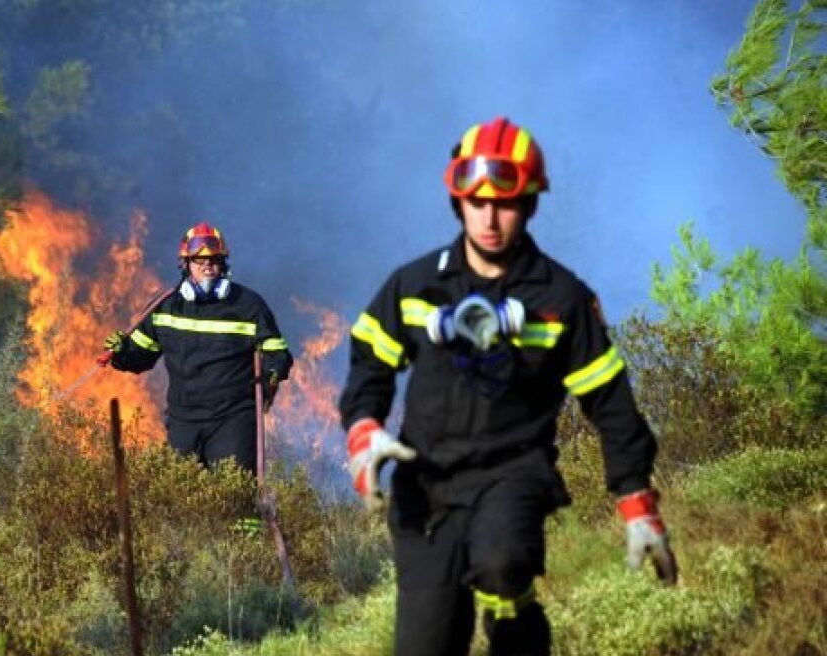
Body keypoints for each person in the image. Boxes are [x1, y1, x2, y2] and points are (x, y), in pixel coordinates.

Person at [338, 117, 678, 656]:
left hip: (513, 474)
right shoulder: (416, 285)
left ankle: (513, 619)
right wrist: (363, 428)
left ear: (529, 204)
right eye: (477, 202)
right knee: (426, 644)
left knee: (501, 563)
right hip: (425, 488)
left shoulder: (561, 298)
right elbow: (369, 363)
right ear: (459, 203)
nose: (491, 218)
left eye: (507, 203)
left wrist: (637, 502)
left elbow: (610, 402)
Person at [104, 221, 293, 475]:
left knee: (233, 499)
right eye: (198, 260)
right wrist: (121, 352)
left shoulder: (248, 306)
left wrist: (272, 374)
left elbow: (276, 352)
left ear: (223, 265)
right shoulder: (166, 306)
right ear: (186, 264)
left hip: (233, 420)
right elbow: (141, 356)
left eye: (214, 260)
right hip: (183, 420)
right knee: (180, 500)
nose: (207, 266)